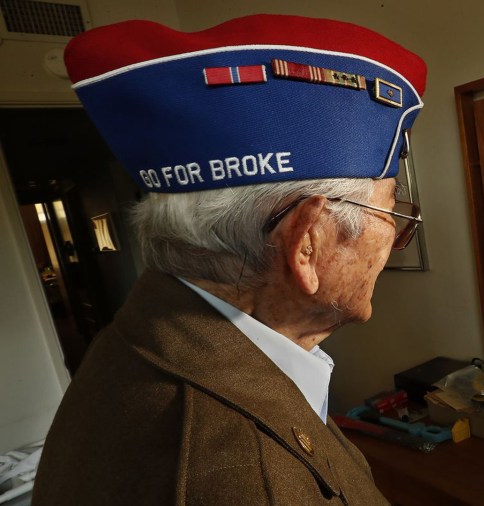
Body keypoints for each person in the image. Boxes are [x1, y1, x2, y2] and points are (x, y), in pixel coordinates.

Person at [32, 14, 425, 505]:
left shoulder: (137, 340)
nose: (392, 236)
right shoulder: (244, 482)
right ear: (307, 243)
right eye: (388, 211)